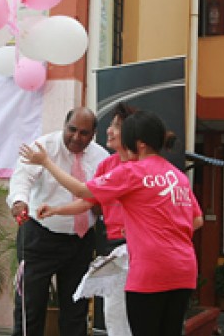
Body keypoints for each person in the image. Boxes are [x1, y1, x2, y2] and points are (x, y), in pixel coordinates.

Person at [21, 110, 203, 336]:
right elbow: (197, 219)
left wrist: (46, 162)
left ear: (140, 144)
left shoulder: (131, 171)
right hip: (184, 270)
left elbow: (81, 190)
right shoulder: (178, 176)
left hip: (149, 270)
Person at [7, 107, 109, 336]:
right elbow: (22, 178)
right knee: (30, 307)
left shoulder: (102, 157)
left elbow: (97, 197)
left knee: (76, 308)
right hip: (39, 236)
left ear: (93, 134)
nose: (76, 137)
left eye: (84, 133)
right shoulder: (44, 147)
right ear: (64, 125)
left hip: (81, 241)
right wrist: (19, 201)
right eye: (72, 130)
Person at [91, 102, 136, 336]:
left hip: (140, 248)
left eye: (116, 126)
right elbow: (90, 199)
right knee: (114, 312)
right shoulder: (106, 165)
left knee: (137, 313)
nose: (109, 130)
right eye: (110, 125)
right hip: (113, 247)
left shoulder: (143, 166)